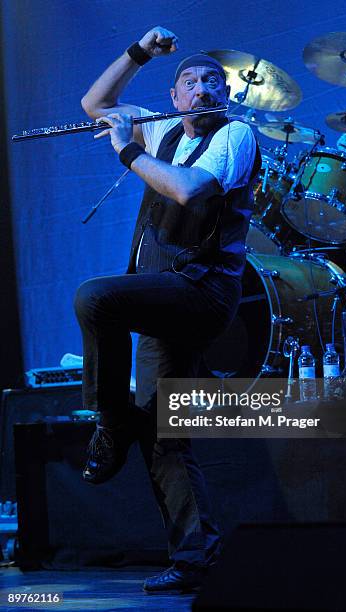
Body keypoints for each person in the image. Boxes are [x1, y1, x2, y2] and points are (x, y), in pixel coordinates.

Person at [74, 26, 260, 593]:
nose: (201, 89)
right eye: (188, 82)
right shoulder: (161, 129)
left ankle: (109, 422)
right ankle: (195, 557)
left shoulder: (237, 136)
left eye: (211, 82)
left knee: (96, 297)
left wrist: (126, 148)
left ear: (223, 94)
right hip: (163, 297)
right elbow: (95, 104)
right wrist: (139, 54)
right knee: (164, 434)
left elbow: (184, 191)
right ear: (175, 98)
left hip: (203, 295)